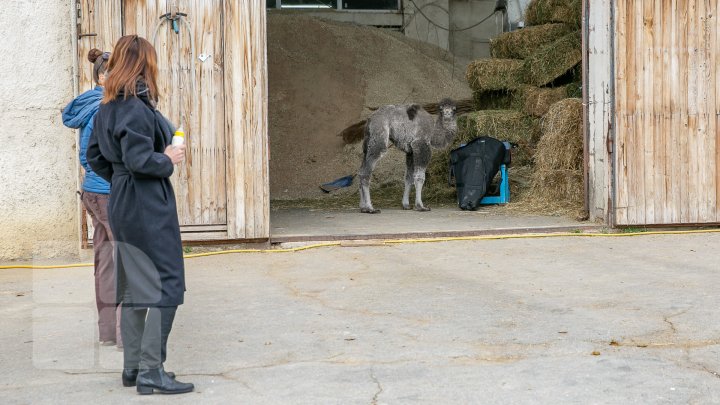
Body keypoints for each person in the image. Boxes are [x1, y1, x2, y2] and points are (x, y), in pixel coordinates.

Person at [86, 35, 193, 395]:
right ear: (145, 64)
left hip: (123, 200)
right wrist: (167, 159)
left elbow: (95, 156)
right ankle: (151, 370)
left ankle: (133, 368)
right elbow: (139, 159)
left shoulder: (107, 107)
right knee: (167, 284)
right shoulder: (133, 106)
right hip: (146, 203)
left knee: (135, 285)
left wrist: (121, 179)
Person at [62, 49, 122, 348]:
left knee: (107, 261)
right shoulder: (103, 107)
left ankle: (109, 332)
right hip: (108, 192)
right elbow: (95, 155)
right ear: (102, 77)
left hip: (95, 192)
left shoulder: (91, 103)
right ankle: (127, 335)